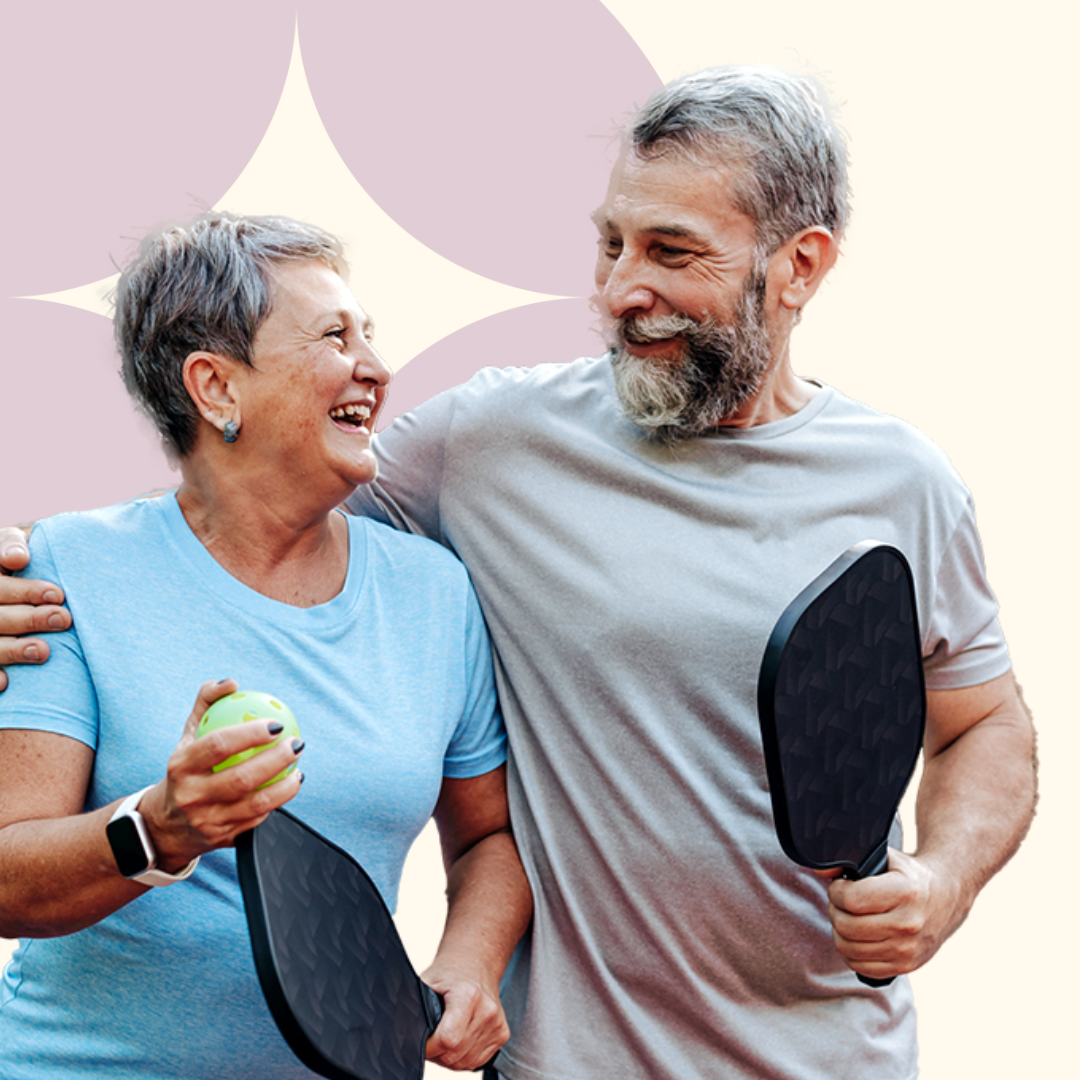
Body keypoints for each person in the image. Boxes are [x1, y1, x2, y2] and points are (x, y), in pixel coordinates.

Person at [0, 67, 1036, 1080]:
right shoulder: (491, 442)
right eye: (612, 243)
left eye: (672, 251)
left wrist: (942, 882)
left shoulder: (901, 482)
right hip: (565, 1058)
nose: (622, 289)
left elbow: (984, 722)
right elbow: (247, 498)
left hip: (829, 1055)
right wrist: (31, 555)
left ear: (799, 266)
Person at [0, 214, 531, 1079]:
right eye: (334, 336)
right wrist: (157, 830)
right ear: (215, 388)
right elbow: (8, 877)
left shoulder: (434, 593)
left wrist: (470, 965)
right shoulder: (64, 571)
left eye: (370, 335)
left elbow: (487, 839)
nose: (377, 368)